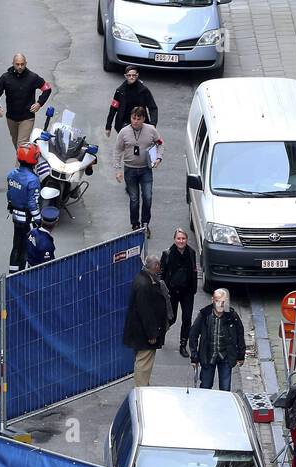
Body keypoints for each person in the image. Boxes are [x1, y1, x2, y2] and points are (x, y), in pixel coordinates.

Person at [113, 106, 163, 236]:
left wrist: (158, 158)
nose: (135, 121)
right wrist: (118, 169)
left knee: (148, 196)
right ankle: (135, 224)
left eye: (138, 119)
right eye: (133, 118)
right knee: (134, 198)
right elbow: (118, 150)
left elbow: (160, 143)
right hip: (130, 169)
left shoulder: (151, 130)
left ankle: (145, 224)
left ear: (143, 119)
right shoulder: (124, 132)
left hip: (146, 169)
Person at [122, 256, 172, 387]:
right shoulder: (145, 285)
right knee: (144, 363)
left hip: (140, 331)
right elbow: (146, 312)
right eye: (159, 265)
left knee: (143, 362)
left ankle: (142, 386)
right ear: (155, 267)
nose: (160, 268)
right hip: (144, 334)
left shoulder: (143, 279)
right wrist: (152, 334)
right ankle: (141, 390)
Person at [0, 53, 52, 148]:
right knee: (18, 148)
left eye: (22, 64)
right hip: (11, 118)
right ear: (13, 63)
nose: (20, 67)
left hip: (27, 118)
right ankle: (28, 161)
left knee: (21, 146)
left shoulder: (32, 77)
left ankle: (22, 162)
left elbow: (47, 89)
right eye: (17, 64)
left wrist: (39, 103)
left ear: (26, 63)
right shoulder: (5, 78)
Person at [188, 288, 245, 391]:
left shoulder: (232, 315)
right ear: (212, 300)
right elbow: (193, 334)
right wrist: (194, 356)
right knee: (205, 386)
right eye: (218, 301)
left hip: (226, 356)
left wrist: (241, 355)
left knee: (225, 388)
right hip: (208, 356)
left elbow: (240, 334)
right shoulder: (204, 315)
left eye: (223, 302)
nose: (220, 304)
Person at [160, 228, 197, 357]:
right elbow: (162, 273)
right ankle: (161, 332)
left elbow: (194, 270)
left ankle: (183, 345)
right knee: (172, 318)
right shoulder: (168, 254)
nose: (181, 241)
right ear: (174, 239)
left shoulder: (191, 252)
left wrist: (193, 289)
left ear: (186, 239)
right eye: (179, 238)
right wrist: (162, 291)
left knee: (187, 319)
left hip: (187, 292)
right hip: (172, 292)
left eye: (183, 239)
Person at [6, 143, 42, 273]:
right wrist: (39, 220)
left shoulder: (12, 174)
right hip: (27, 219)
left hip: (16, 217)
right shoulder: (33, 180)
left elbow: (9, 194)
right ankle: (23, 274)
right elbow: (33, 203)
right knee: (27, 247)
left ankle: (12, 272)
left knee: (16, 246)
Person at [105, 68, 158, 135]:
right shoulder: (120, 91)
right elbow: (113, 109)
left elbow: (152, 107)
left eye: (134, 75)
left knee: (140, 143)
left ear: (137, 75)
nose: (131, 77)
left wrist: (153, 124)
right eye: (129, 75)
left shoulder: (144, 91)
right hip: (124, 124)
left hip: (140, 123)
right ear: (125, 76)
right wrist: (108, 127)